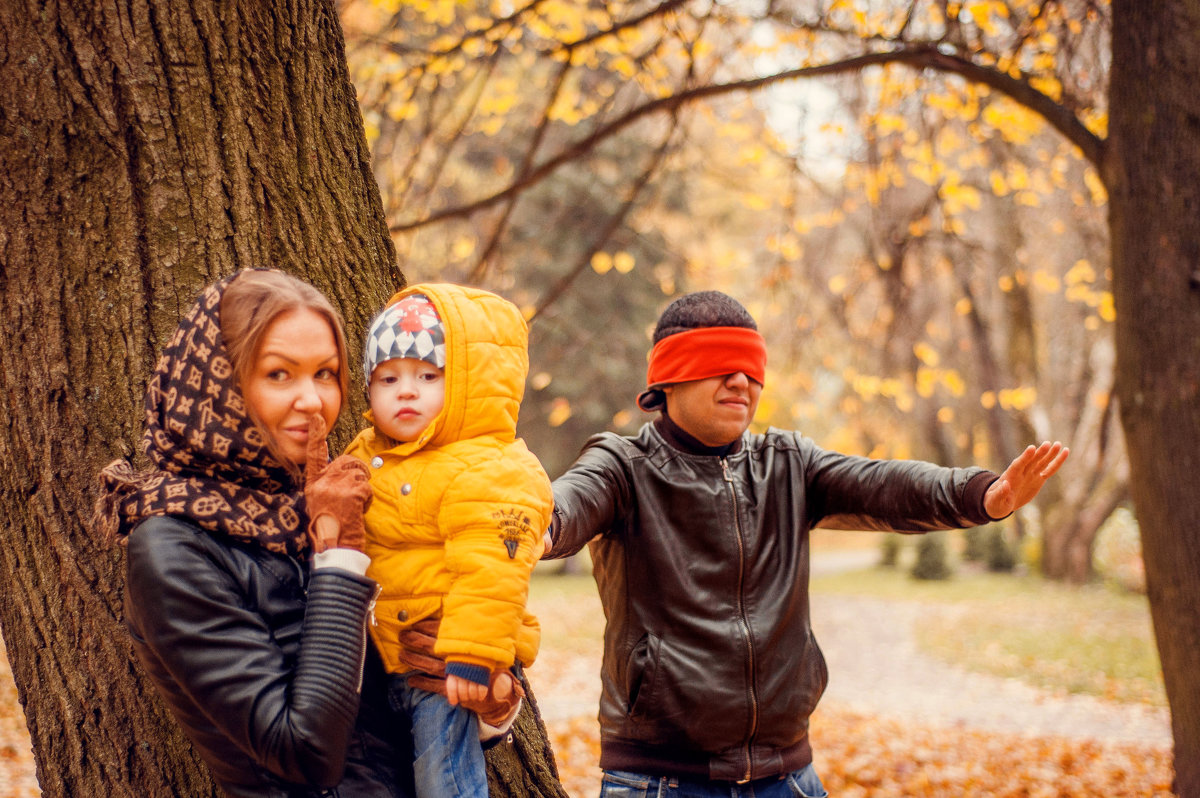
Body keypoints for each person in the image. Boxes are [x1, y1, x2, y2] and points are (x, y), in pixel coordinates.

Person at [542, 290, 1069, 798]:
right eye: (719, 364)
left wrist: (984, 495)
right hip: (662, 781)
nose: (740, 381)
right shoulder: (623, 468)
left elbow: (886, 485)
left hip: (787, 777)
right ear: (668, 380)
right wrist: (534, 524)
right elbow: (565, 506)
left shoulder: (788, 464)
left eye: (751, 368)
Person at [95, 269, 416, 797]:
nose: (312, 401)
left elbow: (379, 722)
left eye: (326, 373)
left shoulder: (318, 497)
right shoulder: (171, 546)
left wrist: (483, 707)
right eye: (279, 375)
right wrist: (338, 554)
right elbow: (304, 754)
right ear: (217, 381)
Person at [344, 284, 553, 798]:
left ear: (467, 387)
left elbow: (491, 570)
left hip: (449, 663)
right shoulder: (367, 454)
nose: (406, 391)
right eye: (388, 378)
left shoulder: (489, 466)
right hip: (383, 659)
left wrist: (472, 654)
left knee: (445, 782)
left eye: (428, 376)